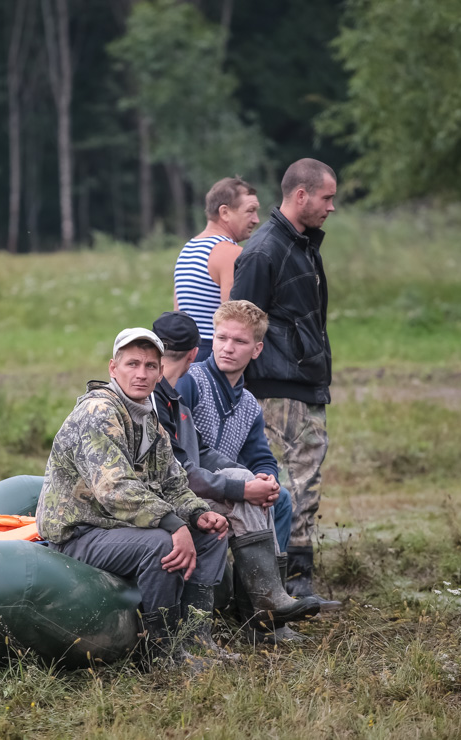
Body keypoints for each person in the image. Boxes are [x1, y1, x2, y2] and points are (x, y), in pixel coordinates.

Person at [36, 328, 231, 669]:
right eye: (132, 364)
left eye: (150, 366)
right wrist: (173, 524)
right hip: (80, 533)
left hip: (117, 528)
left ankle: (197, 638)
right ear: (113, 368)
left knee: (211, 533)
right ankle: (162, 654)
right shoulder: (98, 413)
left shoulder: (147, 419)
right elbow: (115, 488)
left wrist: (198, 514)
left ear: (160, 371)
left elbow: (173, 483)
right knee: (162, 543)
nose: (141, 373)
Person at [152, 310, 322, 643]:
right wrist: (243, 486)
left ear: (257, 349)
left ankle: (265, 609)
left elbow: (257, 454)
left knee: (279, 497)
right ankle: (262, 611)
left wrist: (263, 480)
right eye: (221, 339)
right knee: (249, 494)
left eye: (239, 341)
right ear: (202, 347)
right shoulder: (187, 383)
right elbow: (184, 469)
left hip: (204, 480)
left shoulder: (246, 403)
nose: (228, 348)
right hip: (191, 487)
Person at [229, 158, 337, 603]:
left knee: (305, 480)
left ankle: (298, 581)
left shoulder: (303, 245)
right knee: (283, 484)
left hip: (304, 382)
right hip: (275, 388)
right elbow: (239, 324)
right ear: (300, 195)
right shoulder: (264, 250)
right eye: (327, 197)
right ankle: (276, 588)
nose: (332, 207)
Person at [173, 177, 261, 362]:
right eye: (250, 211)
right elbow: (234, 320)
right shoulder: (230, 253)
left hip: (186, 353)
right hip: (213, 353)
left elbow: (178, 314)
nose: (256, 219)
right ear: (225, 212)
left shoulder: (188, 249)